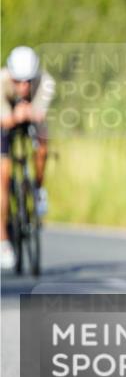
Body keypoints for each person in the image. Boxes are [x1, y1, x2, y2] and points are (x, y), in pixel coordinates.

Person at [1, 46, 55, 269]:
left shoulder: (46, 82)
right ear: (11, 76)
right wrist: (15, 116)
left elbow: (39, 113)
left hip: (30, 116)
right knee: (3, 177)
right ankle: (3, 240)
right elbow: (5, 120)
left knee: (42, 144)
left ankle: (38, 189)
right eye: (18, 81)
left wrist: (29, 112)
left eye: (28, 81)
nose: (23, 87)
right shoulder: (1, 82)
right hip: (6, 119)